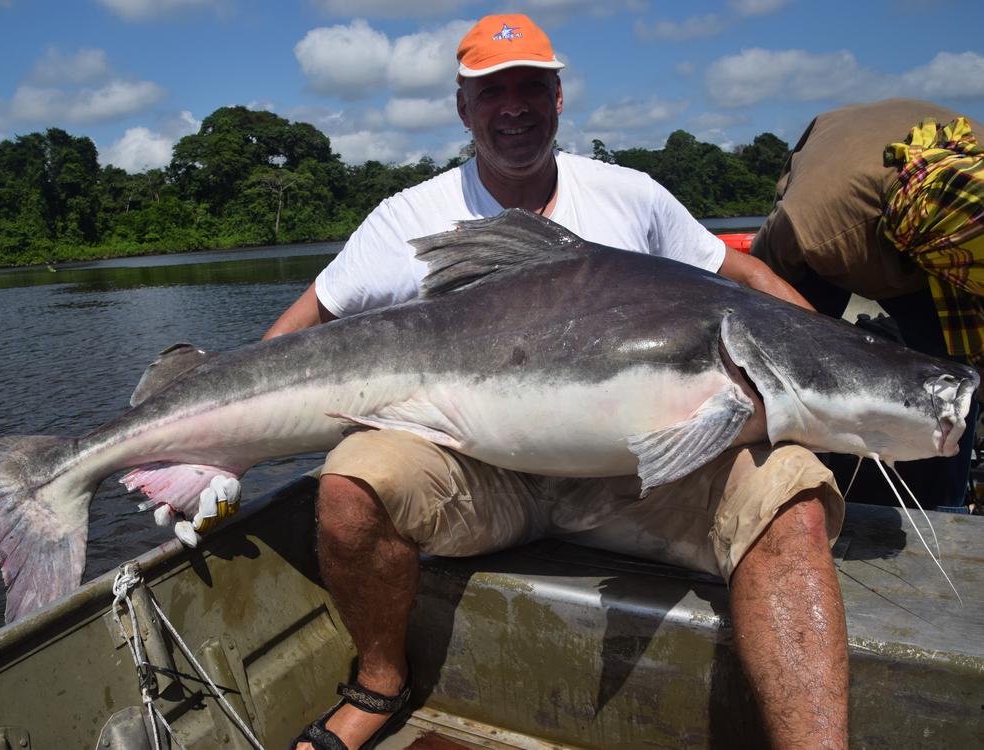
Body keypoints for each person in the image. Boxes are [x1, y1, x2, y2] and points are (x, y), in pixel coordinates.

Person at [262, 14, 849, 750]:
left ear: (558, 99)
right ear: (463, 108)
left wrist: (827, 356)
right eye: (492, 92)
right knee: (349, 486)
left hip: (640, 478)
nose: (514, 107)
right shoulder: (407, 217)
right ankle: (381, 681)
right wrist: (208, 445)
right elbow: (308, 319)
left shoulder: (630, 195)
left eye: (531, 88)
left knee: (790, 492)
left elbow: (744, 275)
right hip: (481, 473)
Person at [751, 99, 984, 513]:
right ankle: (801, 496)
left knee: (954, 383)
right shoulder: (814, 229)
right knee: (790, 370)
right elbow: (759, 298)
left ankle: (945, 510)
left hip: (948, 229)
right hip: (839, 231)